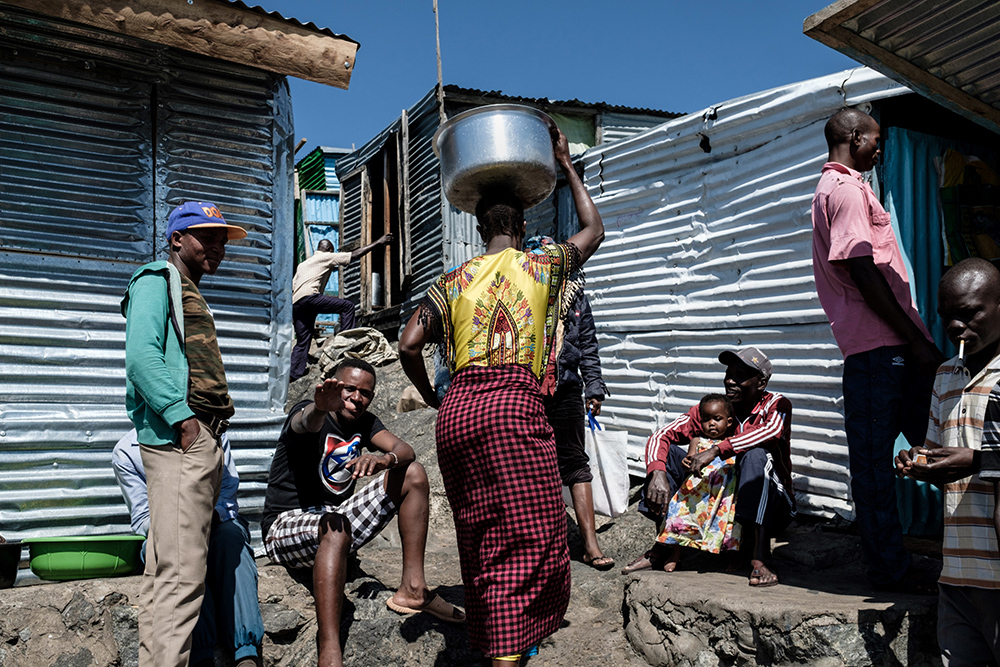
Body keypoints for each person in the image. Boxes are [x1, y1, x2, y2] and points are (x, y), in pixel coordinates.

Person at [398, 124, 605, 665]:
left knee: (481, 532)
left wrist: (434, 398)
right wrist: (565, 163)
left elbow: (408, 343)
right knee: (535, 535)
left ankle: (498, 640)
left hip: (459, 414)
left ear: (475, 223)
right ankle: (508, 653)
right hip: (512, 406)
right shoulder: (543, 265)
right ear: (524, 223)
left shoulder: (450, 281)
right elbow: (594, 228)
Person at [811, 107, 944, 591]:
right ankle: (889, 571)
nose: (880, 147)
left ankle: (970, 550)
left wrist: (918, 339)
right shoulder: (844, 190)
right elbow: (864, 272)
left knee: (937, 447)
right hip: (878, 350)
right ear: (853, 136)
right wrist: (911, 338)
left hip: (893, 347)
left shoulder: (849, 186)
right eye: (875, 138)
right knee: (873, 464)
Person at [262, 357, 464, 667]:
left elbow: (404, 450)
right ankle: (329, 650)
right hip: (286, 525)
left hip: (335, 518)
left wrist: (385, 460)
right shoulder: (310, 409)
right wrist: (319, 407)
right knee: (335, 524)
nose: (357, 398)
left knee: (413, 473)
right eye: (349, 389)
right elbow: (304, 423)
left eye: (365, 393)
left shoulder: (366, 422)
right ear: (334, 386)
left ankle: (413, 589)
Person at [121, 200, 246, 667]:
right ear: (177, 239)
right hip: (181, 443)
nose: (218, 246)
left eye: (222, 240)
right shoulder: (155, 279)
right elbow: (142, 359)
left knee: (165, 576)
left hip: (199, 441)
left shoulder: (188, 288)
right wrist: (183, 420)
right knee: (181, 578)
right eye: (206, 237)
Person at [896, 258, 1000, 665]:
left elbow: (972, 461)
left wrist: (975, 460)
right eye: (947, 317)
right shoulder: (945, 375)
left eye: (970, 313)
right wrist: (919, 463)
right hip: (958, 570)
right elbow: (939, 454)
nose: (956, 327)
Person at [627, 348, 794, 587]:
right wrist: (656, 471)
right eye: (728, 374)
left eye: (740, 376)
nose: (729, 380)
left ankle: (760, 557)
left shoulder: (777, 404)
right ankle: (663, 546)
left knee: (756, 456)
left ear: (761, 383)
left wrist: (716, 450)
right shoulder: (717, 407)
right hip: (718, 507)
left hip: (774, 508)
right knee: (668, 458)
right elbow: (661, 436)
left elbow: (771, 432)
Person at [112, 429, 263, 667]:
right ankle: (200, 654)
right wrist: (182, 526)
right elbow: (142, 517)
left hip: (217, 523)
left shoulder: (213, 432)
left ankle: (246, 654)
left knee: (231, 540)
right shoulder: (126, 452)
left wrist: (204, 518)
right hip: (169, 533)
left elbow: (226, 496)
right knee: (172, 553)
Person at [524, 235, 612, 571]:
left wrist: (594, 388)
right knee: (533, 464)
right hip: (528, 390)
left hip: (567, 389)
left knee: (575, 461)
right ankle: (543, 546)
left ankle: (590, 544)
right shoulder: (522, 298)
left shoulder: (576, 298)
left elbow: (588, 345)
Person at [648, 394, 742, 571]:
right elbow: (690, 459)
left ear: (729, 422)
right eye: (706, 420)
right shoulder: (697, 440)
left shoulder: (731, 443)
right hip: (698, 491)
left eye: (717, 419)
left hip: (723, 494)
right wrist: (687, 462)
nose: (711, 423)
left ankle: (732, 557)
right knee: (680, 515)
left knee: (730, 524)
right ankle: (675, 554)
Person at [290, 235, 393, 381]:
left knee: (303, 340)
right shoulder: (326, 257)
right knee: (347, 307)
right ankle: (345, 342)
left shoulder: (304, 264)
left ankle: (293, 374)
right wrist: (378, 242)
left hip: (297, 303)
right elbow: (355, 254)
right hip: (311, 298)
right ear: (329, 250)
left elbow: (293, 287)